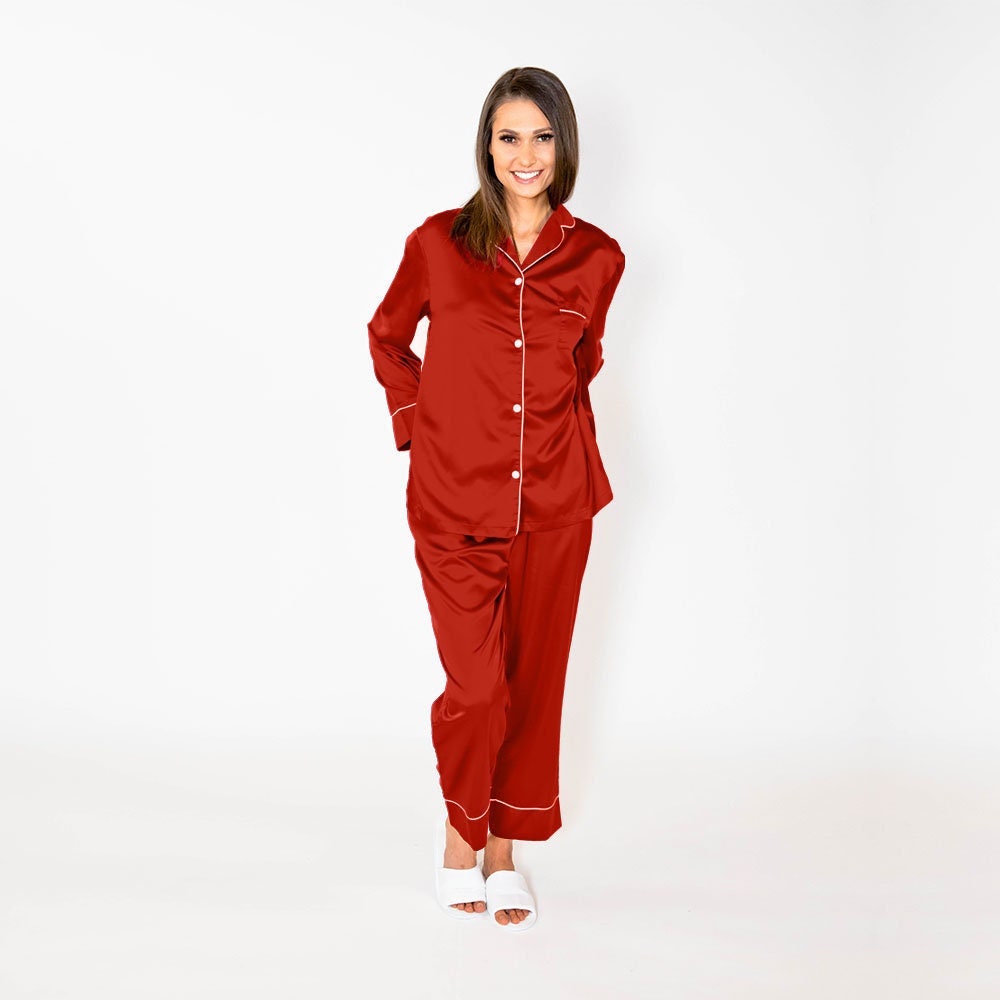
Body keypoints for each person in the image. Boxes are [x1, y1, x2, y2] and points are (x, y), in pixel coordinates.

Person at [367, 66, 626, 931]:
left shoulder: (599, 257)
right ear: (486, 143)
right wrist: (424, 427)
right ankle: (459, 839)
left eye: (542, 137)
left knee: (531, 683)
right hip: (452, 501)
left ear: (564, 146)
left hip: (556, 501)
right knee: (477, 687)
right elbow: (387, 336)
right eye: (510, 135)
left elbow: (581, 363)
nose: (526, 154)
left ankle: (504, 852)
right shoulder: (438, 243)